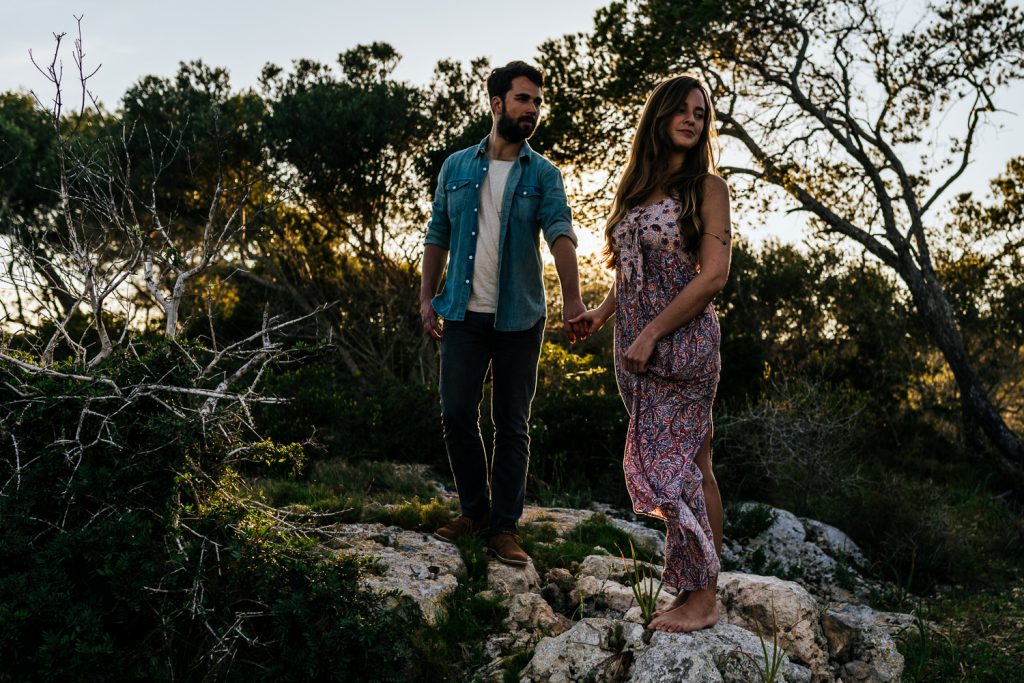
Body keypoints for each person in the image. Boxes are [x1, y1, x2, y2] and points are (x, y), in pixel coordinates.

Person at [571, 74, 732, 632]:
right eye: (682, 110)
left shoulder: (707, 189)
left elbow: (711, 277)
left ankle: (704, 597)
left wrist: (651, 334)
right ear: (659, 116)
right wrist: (603, 312)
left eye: (701, 112)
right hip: (635, 352)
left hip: (681, 345)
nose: (693, 119)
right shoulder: (635, 191)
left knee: (689, 466)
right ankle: (691, 587)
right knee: (672, 469)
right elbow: (636, 272)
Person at [420, 61, 587, 567]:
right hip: (463, 314)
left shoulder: (544, 174)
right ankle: (473, 511)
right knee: (455, 414)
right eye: (523, 100)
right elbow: (437, 235)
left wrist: (573, 299)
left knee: (512, 424)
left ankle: (504, 527)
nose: (532, 110)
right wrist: (426, 297)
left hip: (520, 318)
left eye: (537, 102)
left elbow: (561, 232)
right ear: (497, 104)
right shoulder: (456, 167)